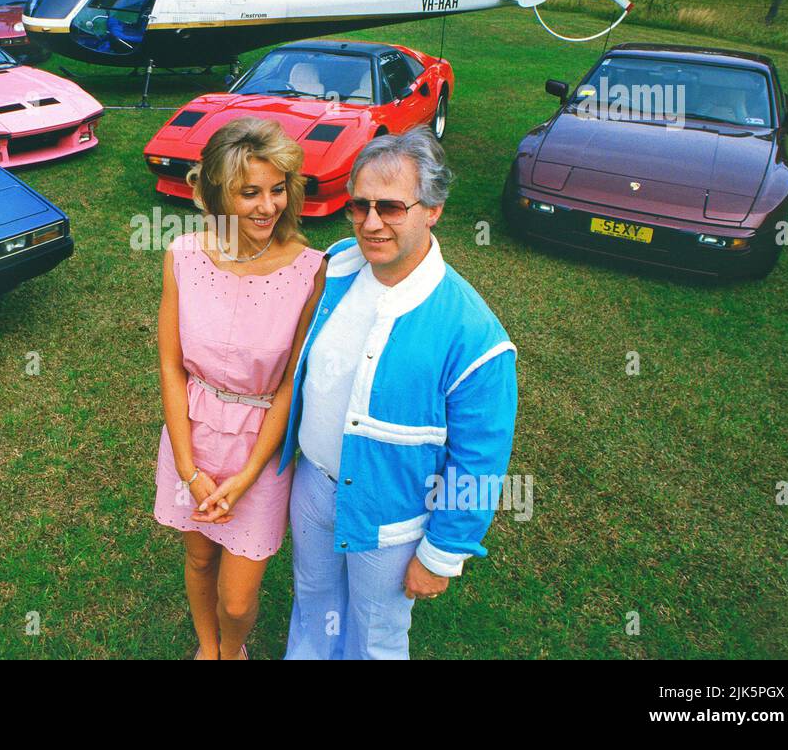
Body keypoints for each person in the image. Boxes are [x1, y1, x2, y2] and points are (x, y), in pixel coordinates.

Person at [279, 129, 518, 660]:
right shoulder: (339, 264)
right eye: (359, 205)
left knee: (377, 632)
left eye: (390, 207)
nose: (370, 223)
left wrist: (442, 554)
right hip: (313, 486)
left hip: (392, 514)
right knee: (313, 601)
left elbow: (480, 460)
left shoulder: (476, 336)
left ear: (432, 209)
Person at [154, 117, 326, 660]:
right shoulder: (181, 255)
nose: (267, 207)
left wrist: (248, 475)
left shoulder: (310, 271)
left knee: (236, 599)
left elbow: (289, 389)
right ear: (215, 194)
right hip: (192, 434)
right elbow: (170, 365)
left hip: (261, 449)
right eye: (249, 192)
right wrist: (188, 468)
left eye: (278, 190)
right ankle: (209, 650)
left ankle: (234, 649)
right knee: (200, 559)